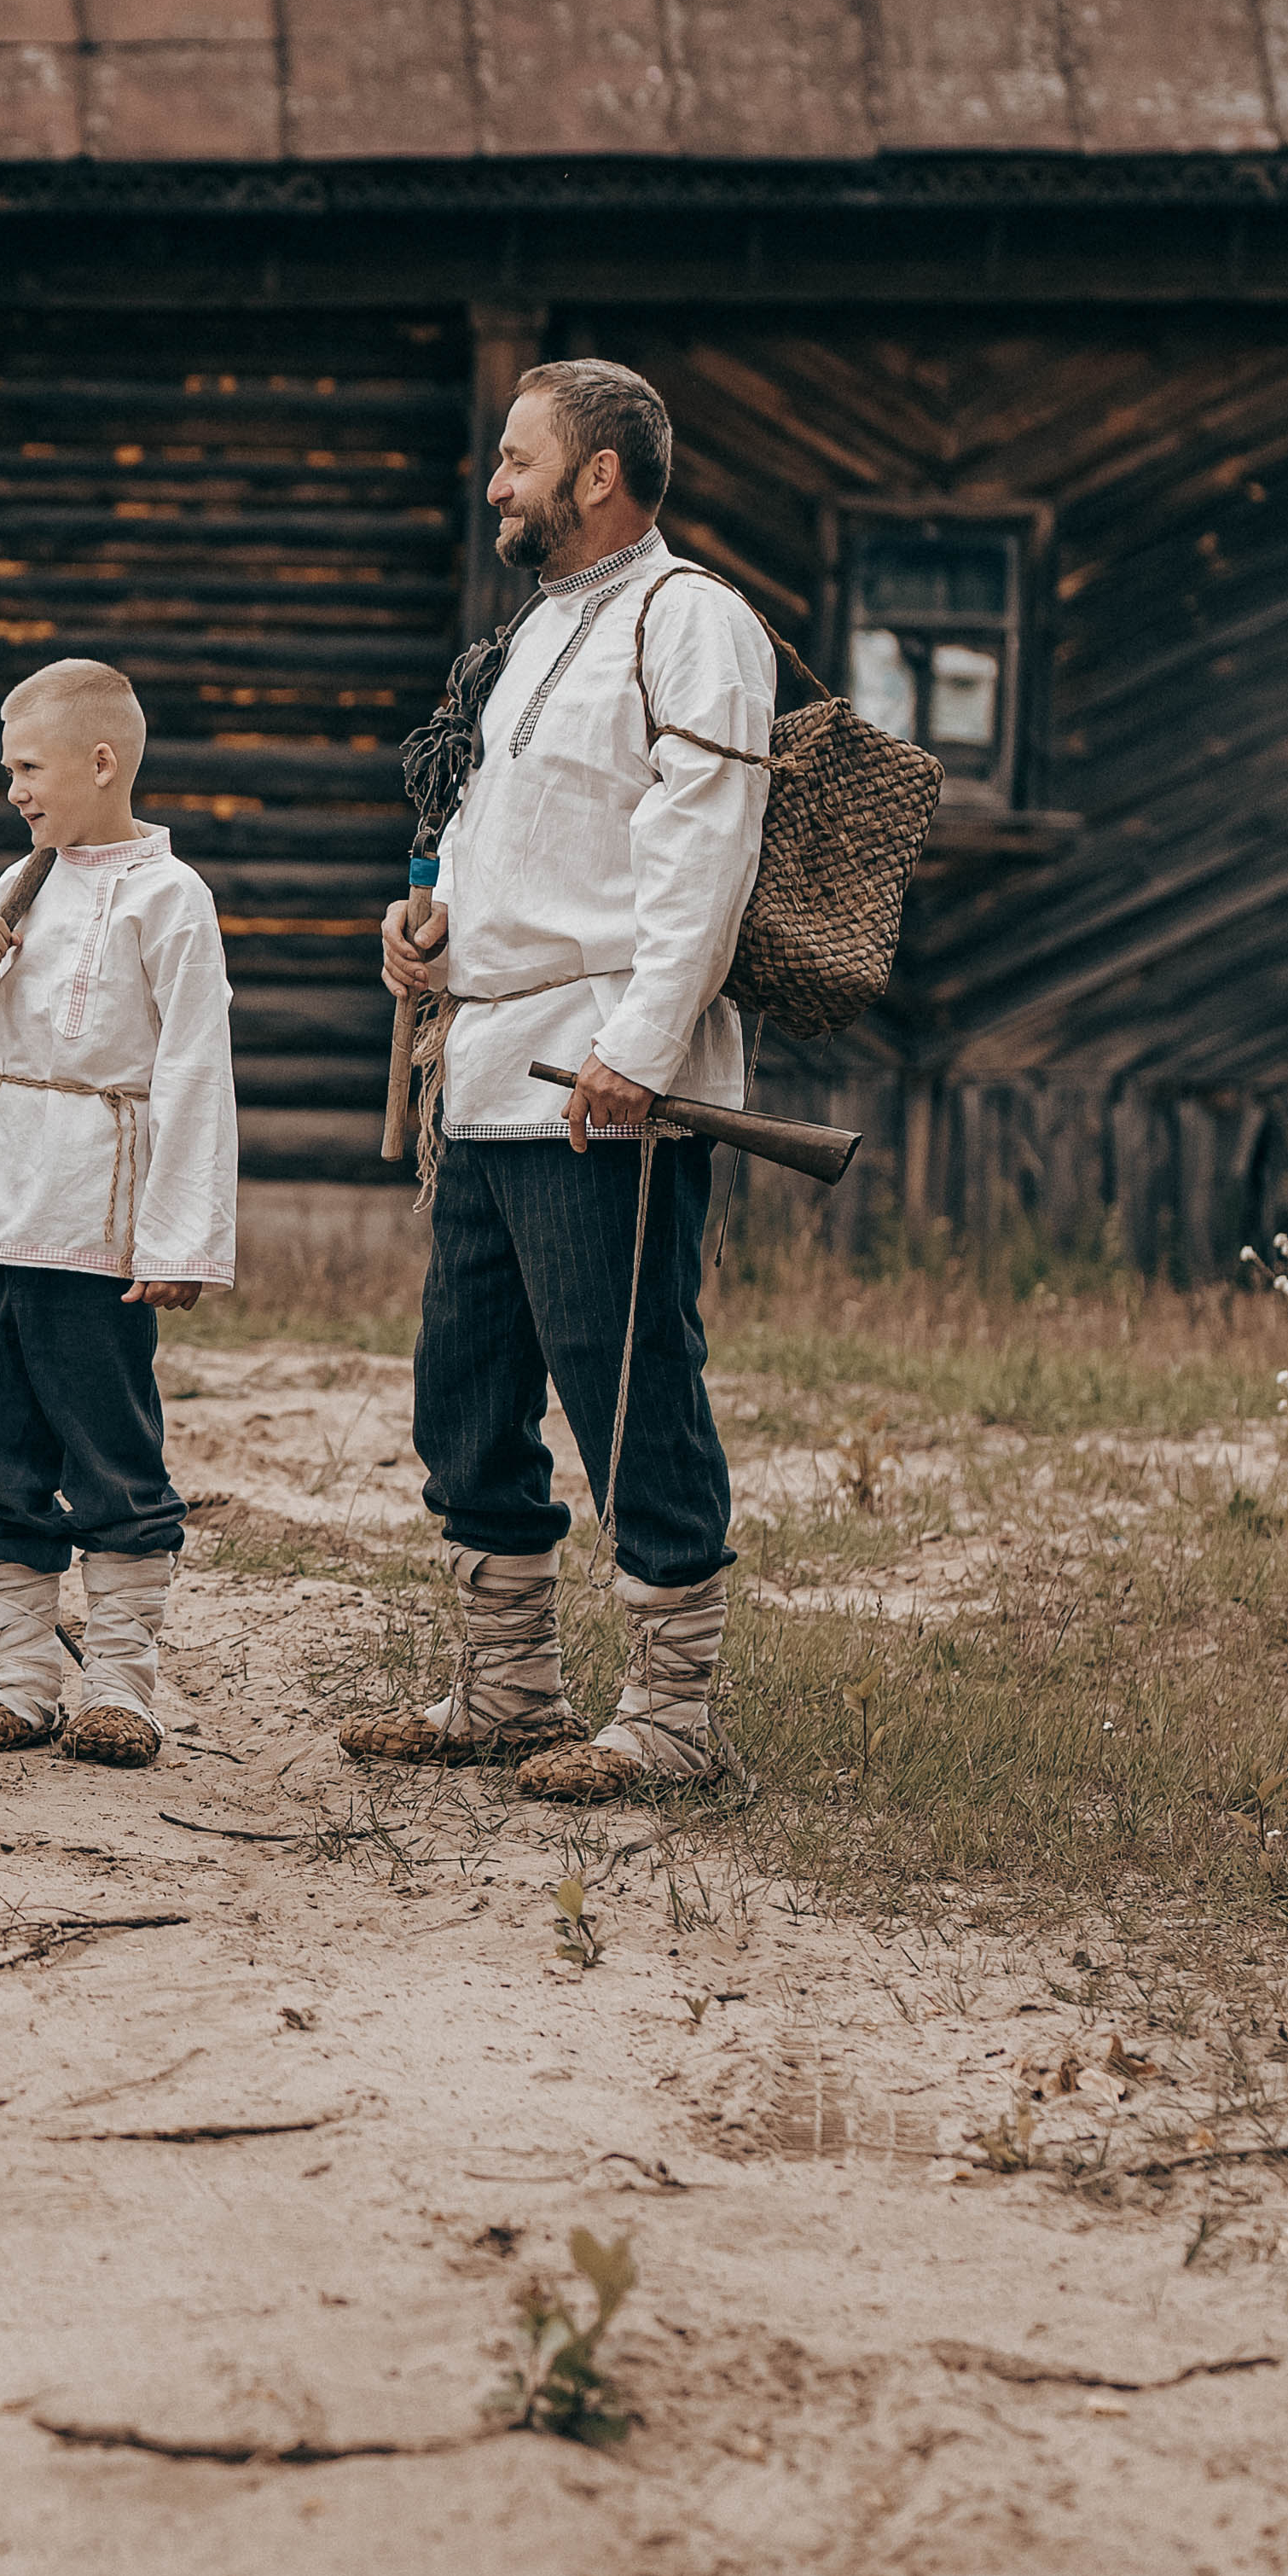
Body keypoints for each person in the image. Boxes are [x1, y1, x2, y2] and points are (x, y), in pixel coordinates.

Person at [351, 358, 773, 1801]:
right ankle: (512, 1687)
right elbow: (498, 843)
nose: (495, 484)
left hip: (603, 1076)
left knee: (627, 1381)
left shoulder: (689, 620)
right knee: (464, 1390)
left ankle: (673, 1717)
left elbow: (701, 852)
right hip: (486, 1068)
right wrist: (426, 936)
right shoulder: (532, 638)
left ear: (600, 475)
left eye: (520, 460)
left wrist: (640, 1052)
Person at [0, 660, 240, 1765]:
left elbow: (195, 1068)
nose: (14, 790)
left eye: (27, 767)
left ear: (101, 763)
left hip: (95, 1212)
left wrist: (182, 1235)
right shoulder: (26, 880)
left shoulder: (169, 898)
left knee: (107, 1440)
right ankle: (17, 1678)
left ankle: (124, 1685)